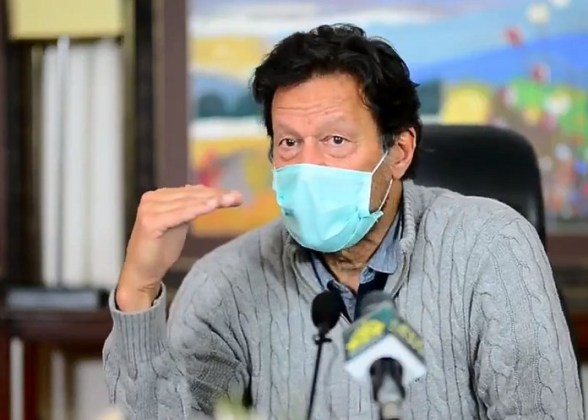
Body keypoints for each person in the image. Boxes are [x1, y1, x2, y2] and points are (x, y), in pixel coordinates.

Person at [103, 24, 584, 419]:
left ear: (399, 152)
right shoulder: (223, 282)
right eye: (290, 143)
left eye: (335, 141)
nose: (308, 166)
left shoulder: (492, 247)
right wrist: (138, 291)